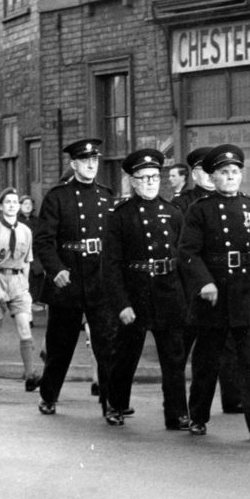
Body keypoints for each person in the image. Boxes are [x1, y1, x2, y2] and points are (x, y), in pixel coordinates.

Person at [178, 144, 250, 440]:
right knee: (207, 362)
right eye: (224, 172)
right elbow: (187, 252)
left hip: (246, 293)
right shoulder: (200, 210)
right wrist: (204, 282)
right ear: (213, 176)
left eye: (235, 172)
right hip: (214, 296)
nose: (231, 177)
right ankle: (197, 416)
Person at [101, 149, 189, 429]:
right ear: (133, 181)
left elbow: (184, 259)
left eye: (154, 176)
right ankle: (115, 404)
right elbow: (111, 266)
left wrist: (186, 299)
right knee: (126, 354)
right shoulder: (120, 215)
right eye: (144, 177)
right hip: (135, 293)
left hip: (168, 292)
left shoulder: (173, 213)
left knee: (174, 357)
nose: (151, 182)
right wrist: (121, 304)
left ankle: (176, 414)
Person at [33, 138, 117, 416]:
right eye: (85, 161)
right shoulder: (57, 197)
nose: (91, 165)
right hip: (67, 280)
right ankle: (49, 396)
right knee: (60, 346)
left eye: (95, 160)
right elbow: (44, 240)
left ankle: (110, 403)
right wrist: (56, 270)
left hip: (99, 280)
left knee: (106, 345)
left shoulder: (106, 196)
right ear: (73, 164)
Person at [174, 146, 244, 415]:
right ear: (195, 173)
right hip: (191, 285)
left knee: (226, 346)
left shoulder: (228, 199)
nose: (209, 175)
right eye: (204, 170)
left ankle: (233, 397)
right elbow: (181, 248)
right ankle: (179, 403)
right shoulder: (184, 203)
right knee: (183, 346)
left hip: (222, 284)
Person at [0, 188, 41, 391]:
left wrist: (25, 287)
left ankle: (30, 375)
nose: (13, 205)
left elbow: (27, 261)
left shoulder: (25, 231)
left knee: (24, 327)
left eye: (15, 201)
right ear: (0, 207)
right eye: (8, 202)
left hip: (18, 282)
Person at [18, 194, 45, 312]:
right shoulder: (16, 220)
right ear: (20, 206)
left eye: (30, 204)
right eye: (25, 204)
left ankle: (32, 304)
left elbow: (42, 236)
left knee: (36, 280)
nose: (28, 206)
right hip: (21, 256)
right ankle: (26, 313)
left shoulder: (37, 220)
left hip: (36, 256)